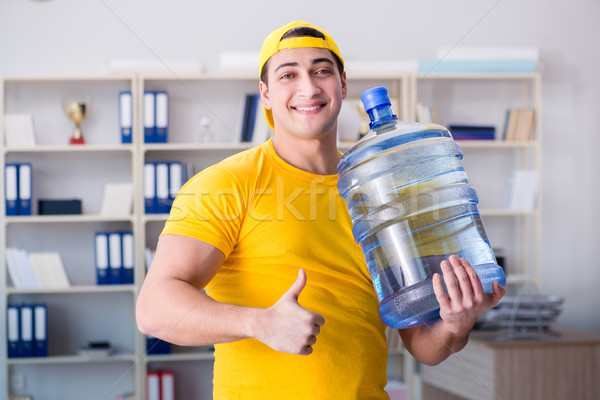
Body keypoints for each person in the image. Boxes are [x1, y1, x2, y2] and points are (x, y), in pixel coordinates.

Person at [136, 20, 505, 399]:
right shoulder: (226, 185)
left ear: (343, 85)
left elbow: (423, 345)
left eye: (321, 71)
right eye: (288, 75)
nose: (308, 87)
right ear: (265, 93)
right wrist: (259, 323)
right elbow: (154, 309)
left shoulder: (381, 191)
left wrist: (456, 323)